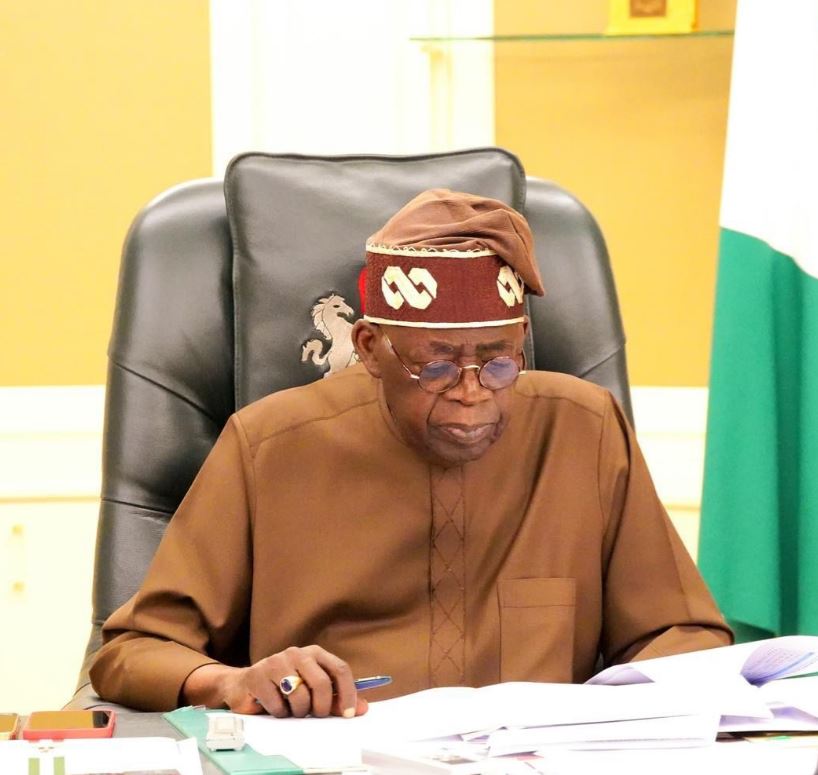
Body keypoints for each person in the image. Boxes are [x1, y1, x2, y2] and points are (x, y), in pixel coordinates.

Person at [89, 189, 731, 716]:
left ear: (522, 338)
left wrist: (619, 715)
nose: (472, 394)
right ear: (370, 348)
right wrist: (232, 682)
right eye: (438, 367)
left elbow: (682, 632)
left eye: (499, 362)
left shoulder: (583, 428)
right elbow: (133, 651)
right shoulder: (268, 444)